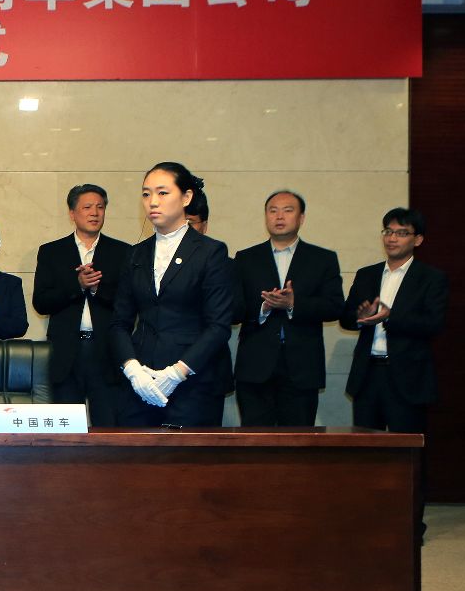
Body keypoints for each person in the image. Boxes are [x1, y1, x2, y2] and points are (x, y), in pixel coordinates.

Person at [341, 207, 448, 543]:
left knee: (408, 457)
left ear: (418, 239)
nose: (392, 238)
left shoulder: (431, 278)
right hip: (369, 375)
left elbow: (433, 324)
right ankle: (369, 523)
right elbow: (346, 317)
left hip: (407, 379)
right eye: (388, 231)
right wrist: (360, 316)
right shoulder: (367, 274)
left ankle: (410, 528)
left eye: (401, 232)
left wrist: (389, 317)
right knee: (366, 457)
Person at [110, 162, 236, 427]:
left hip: (193, 385)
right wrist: (132, 369)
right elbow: (119, 322)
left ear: (186, 197)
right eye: (146, 194)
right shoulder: (135, 254)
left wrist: (177, 373)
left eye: (162, 193)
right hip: (141, 382)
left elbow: (218, 326)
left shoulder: (210, 252)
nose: (153, 202)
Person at [232, 190, 344, 426]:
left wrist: (294, 304)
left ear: (301, 218)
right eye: (273, 211)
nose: (279, 216)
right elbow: (233, 308)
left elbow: (335, 307)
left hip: (302, 368)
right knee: (254, 441)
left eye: (287, 210)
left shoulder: (322, 259)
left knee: (299, 441)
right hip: (255, 367)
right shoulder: (246, 258)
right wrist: (263, 307)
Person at [32, 184, 132, 426]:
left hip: (107, 352)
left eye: (100, 207)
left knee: (107, 427)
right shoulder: (51, 252)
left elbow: (129, 303)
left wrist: (96, 289)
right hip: (66, 353)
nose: (94, 213)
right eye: (87, 207)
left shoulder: (123, 252)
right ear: (72, 213)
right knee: (67, 430)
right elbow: (41, 303)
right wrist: (77, 286)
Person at [183, 187, 236, 419]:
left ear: (204, 225)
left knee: (208, 436)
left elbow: (236, 311)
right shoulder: (153, 262)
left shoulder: (223, 262)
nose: (185, 229)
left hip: (210, 368)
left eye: (191, 223)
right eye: (181, 222)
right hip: (164, 367)